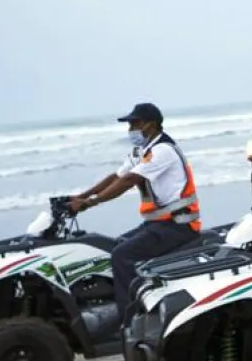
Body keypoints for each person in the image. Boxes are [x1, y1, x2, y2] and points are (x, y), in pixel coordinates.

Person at [69, 102, 204, 318]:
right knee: (112, 246)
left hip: (179, 226)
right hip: (157, 225)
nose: (131, 129)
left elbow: (129, 180)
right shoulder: (142, 151)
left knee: (122, 255)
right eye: (130, 125)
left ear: (151, 124)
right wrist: (81, 196)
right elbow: (117, 177)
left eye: (135, 124)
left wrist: (90, 203)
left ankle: (131, 318)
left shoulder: (163, 151)